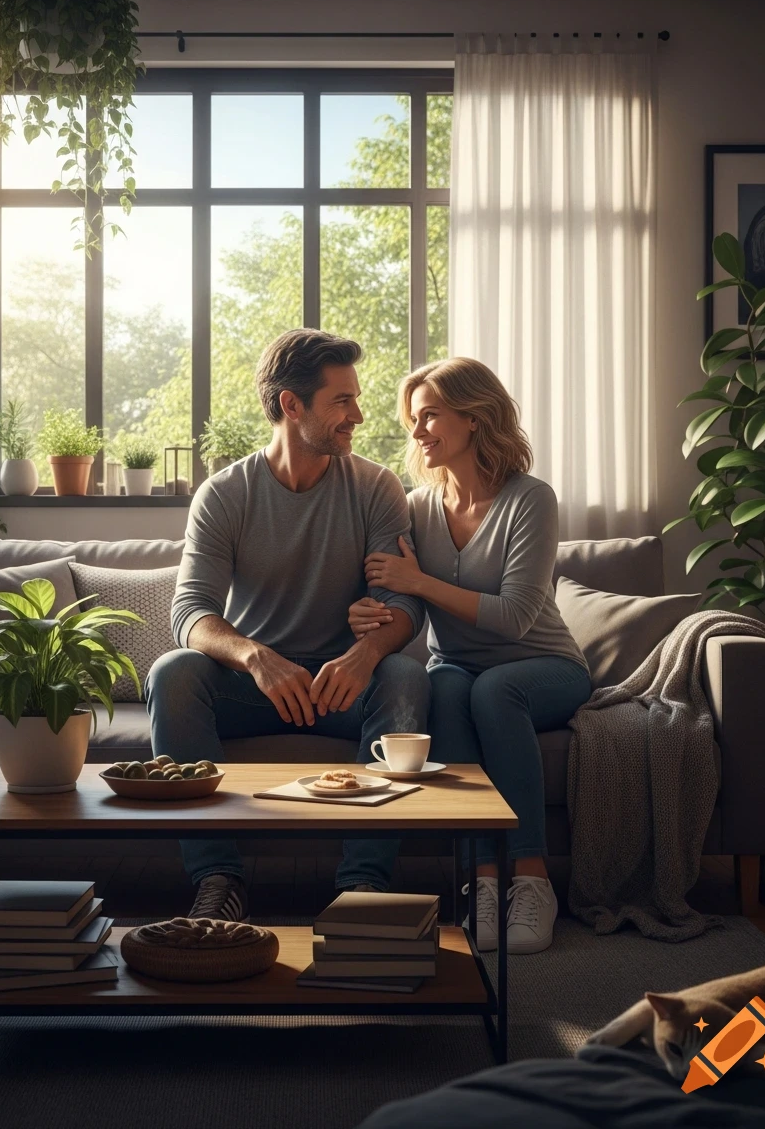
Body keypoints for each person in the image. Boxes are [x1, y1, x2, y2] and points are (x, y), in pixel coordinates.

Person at [145, 329, 429, 923]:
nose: (358, 414)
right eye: (342, 401)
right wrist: (254, 657)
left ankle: (364, 888)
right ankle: (218, 880)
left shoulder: (376, 487)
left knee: (404, 675)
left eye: (355, 398)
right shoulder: (224, 495)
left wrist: (366, 654)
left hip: (339, 687)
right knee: (173, 673)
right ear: (291, 405)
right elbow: (188, 612)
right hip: (254, 689)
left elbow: (403, 606)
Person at [348, 358, 591, 955]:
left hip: (545, 667)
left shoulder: (531, 500)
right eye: (413, 420)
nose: (417, 431)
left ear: (476, 418)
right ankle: (483, 882)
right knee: (448, 688)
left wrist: (420, 582)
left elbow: (516, 616)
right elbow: (413, 612)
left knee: (491, 689)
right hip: (459, 668)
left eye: (429, 416)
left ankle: (531, 878)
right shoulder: (417, 507)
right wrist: (372, 615)